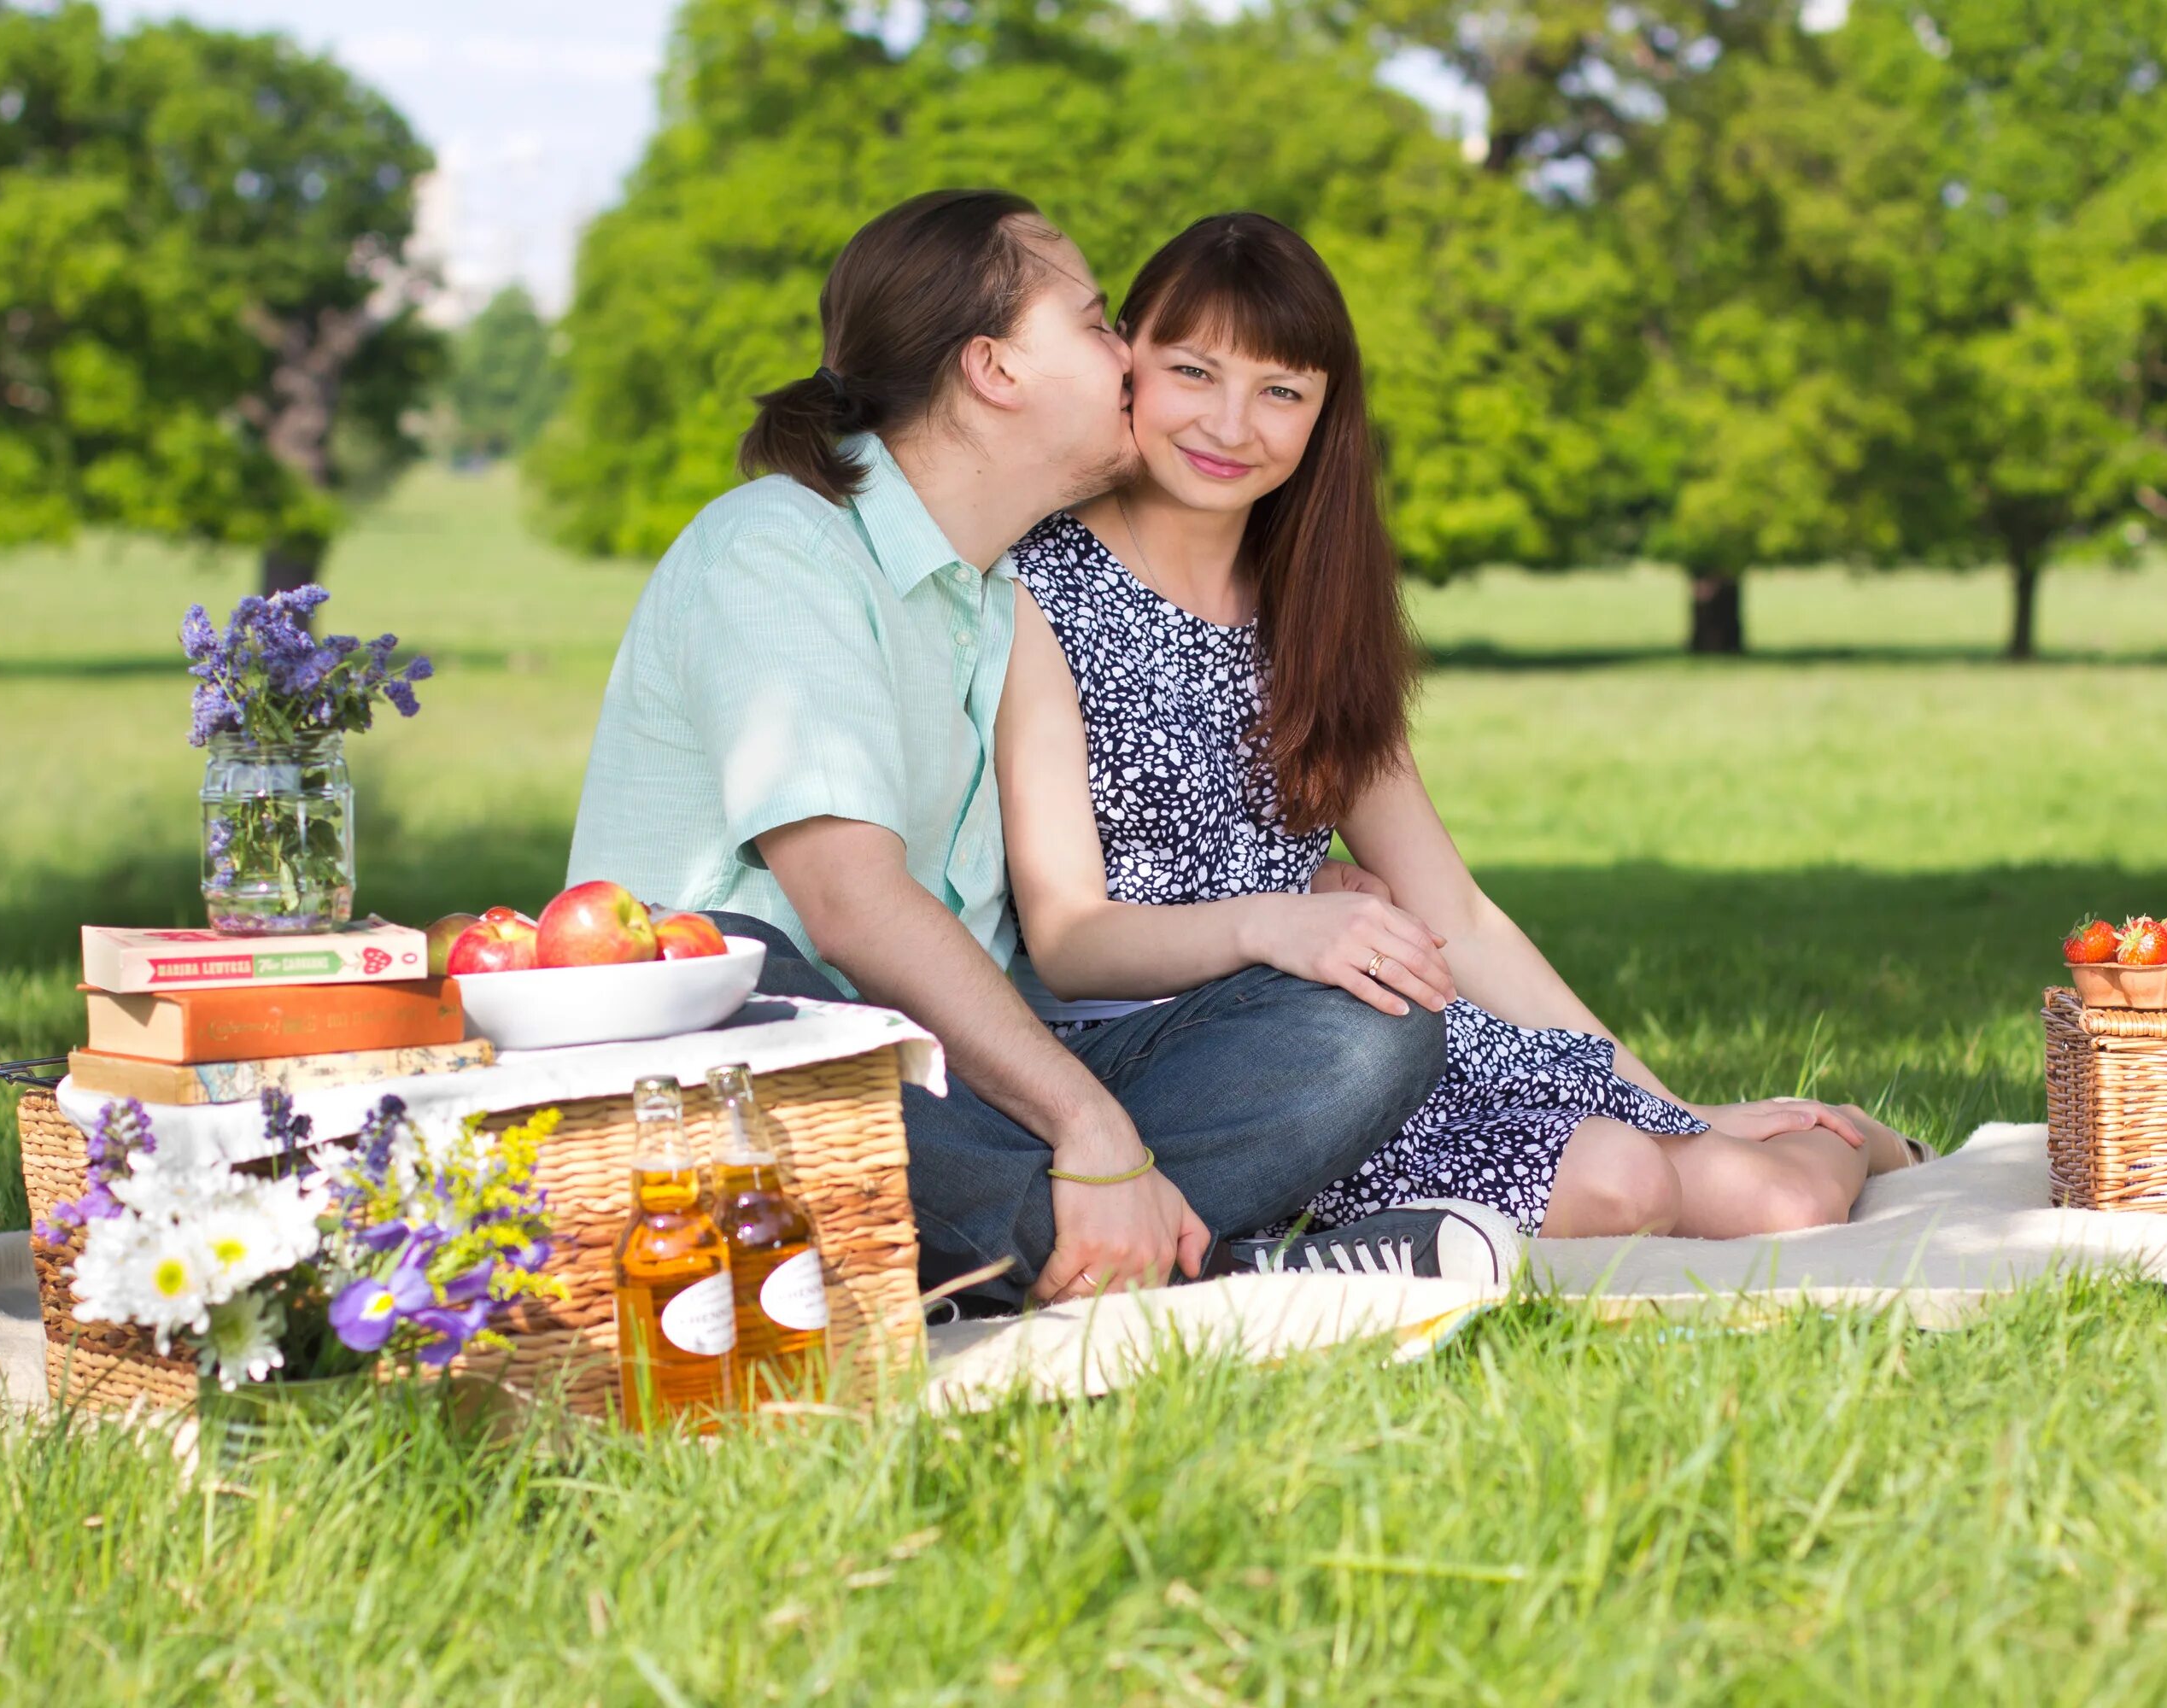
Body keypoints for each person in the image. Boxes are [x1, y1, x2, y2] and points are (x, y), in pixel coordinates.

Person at [567, 190, 1514, 1314]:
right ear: (997, 370)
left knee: (1369, 1027)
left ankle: (1039, 1257)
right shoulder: (780, 551)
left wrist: (1300, 898)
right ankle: (1199, 1266)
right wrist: (1089, 1124)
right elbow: (853, 910)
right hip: (750, 1075)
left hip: (953, 1093)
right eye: (1099, 321)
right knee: (721, 965)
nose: (1131, 360)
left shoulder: (998, 595)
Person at [995, 213, 1930, 1246]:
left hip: (1365, 1022)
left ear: (1322, 416)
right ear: (1128, 361)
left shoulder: (1313, 605)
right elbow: (1071, 937)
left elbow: (1459, 917)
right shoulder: (1040, 585)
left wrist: (1669, 1100)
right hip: (1203, 1066)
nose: (1230, 424)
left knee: (1776, 1199)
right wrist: (1275, 921)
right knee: (1625, 1185)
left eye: (1280, 392)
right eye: (1194, 372)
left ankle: (1871, 1139)